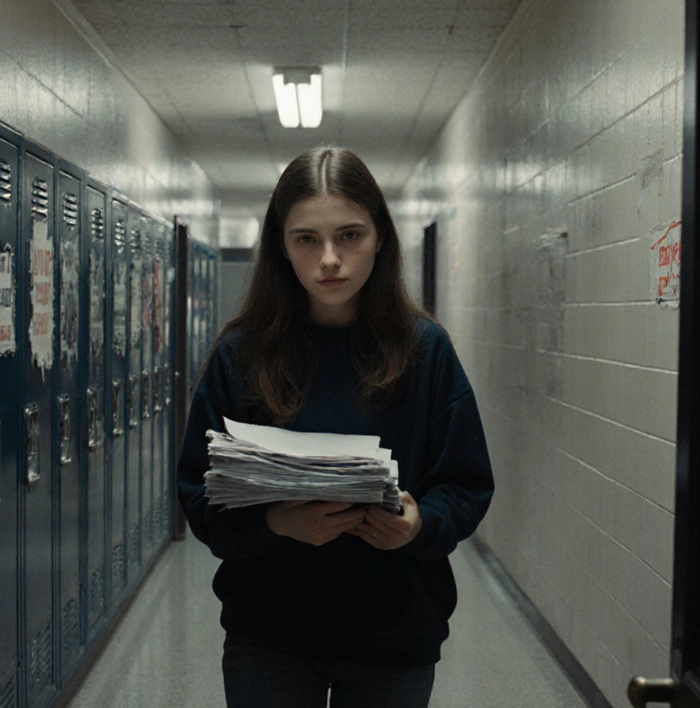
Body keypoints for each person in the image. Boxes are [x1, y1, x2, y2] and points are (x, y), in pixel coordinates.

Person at [177, 146, 494, 708]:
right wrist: (277, 521)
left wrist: (419, 524)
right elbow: (199, 497)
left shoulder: (426, 352)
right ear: (282, 246)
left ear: (380, 240)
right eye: (307, 239)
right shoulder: (240, 355)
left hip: (394, 633)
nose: (329, 259)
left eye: (350, 235)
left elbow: (467, 487)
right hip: (269, 635)